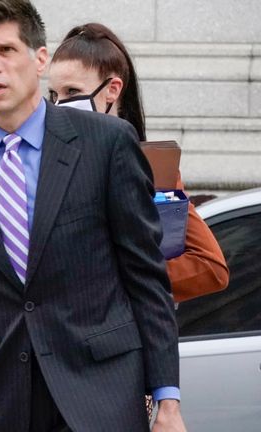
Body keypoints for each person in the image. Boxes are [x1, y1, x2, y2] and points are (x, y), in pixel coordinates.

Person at [0, 1, 186, 431]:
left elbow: (145, 277)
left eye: (6, 50)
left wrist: (168, 400)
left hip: (100, 393)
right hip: (0, 400)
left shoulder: (106, 144)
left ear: (40, 59)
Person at [47, 22, 229, 304]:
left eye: (71, 91)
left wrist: (121, 279)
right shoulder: (41, 166)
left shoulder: (153, 167)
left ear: (112, 89)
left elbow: (210, 268)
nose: (59, 105)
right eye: (53, 95)